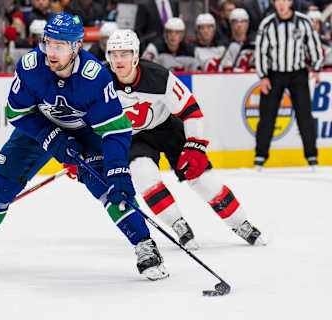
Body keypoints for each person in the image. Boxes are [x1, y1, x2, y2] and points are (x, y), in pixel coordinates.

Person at [0, 13, 169, 281]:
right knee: (0, 185)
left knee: (110, 188)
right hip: (39, 129)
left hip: (86, 133)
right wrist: (52, 138)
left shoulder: (95, 76)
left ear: (76, 46)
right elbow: (17, 113)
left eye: (60, 45)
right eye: (48, 43)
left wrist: (118, 169)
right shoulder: (30, 66)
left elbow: (115, 128)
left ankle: (144, 244)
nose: (52, 51)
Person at [90, 29, 265, 248]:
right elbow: (84, 118)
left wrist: (195, 146)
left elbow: (191, 110)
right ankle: (178, 224)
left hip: (167, 129)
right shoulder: (99, 82)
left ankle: (241, 223)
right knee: (145, 175)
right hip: (134, 139)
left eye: (124, 54)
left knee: (201, 177)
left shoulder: (158, 76)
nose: (119, 60)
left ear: (136, 55)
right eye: (114, 55)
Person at [254, 0, 323, 169]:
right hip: (274, 75)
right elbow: (260, 51)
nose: (281, 5)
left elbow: (313, 44)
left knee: (304, 115)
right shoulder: (268, 23)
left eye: (285, 0)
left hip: (298, 74)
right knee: (267, 116)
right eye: (278, 1)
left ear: (290, 2)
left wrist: (316, 67)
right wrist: (263, 76)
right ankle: (260, 156)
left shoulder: (303, 21)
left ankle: (312, 155)